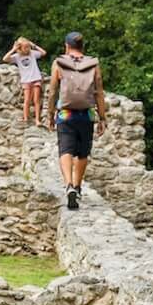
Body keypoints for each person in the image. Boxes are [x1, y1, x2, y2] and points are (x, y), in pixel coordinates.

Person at [46, 31, 107, 210]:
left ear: (67, 46)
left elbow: (52, 91)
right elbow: (99, 92)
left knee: (65, 148)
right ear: (82, 46)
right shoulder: (93, 64)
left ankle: (68, 186)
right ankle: (77, 186)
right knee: (82, 152)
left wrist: (50, 114)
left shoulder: (59, 63)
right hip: (86, 114)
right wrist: (102, 117)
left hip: (66, 114)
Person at [3, 37, 47, 126]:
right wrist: (14, 49)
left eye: (28, 47)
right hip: (26, 80)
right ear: (20, 48)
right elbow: (5, 59)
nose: (28, 49)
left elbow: (43, 53)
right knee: (27, 100)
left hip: (36, 78)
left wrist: (33, 45)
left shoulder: (32, 54)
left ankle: (37, 120)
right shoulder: (17, 57)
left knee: (36, 100)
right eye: (25, 47)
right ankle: (26, 118)